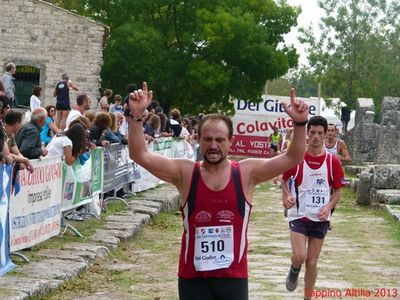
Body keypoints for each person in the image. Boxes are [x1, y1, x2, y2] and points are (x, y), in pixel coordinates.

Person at [128, 83, 309, 300]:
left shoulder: (246, 173)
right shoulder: (185, 173)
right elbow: (140, 155)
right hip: (193, 279)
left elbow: (293, 157)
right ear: (198, 140)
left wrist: (300, 123)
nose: (213, 145)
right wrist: (137, 118)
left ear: (231, 142)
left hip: (233, 278)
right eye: (208, 139)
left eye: (220, 140)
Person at [281, 116, 345, 300]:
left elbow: (338, 191)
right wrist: (287, 196)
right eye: (312, 132)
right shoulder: (297, 158)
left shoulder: (332, 162)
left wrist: (329, 206)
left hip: (320, 217)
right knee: (300, 256)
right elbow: (284, 180)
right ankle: (294, 269)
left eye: (320, 133)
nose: (316, 136)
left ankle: (308, 297)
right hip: (299, 215)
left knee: (312, 261)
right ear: (307, 134)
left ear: (326, 136)